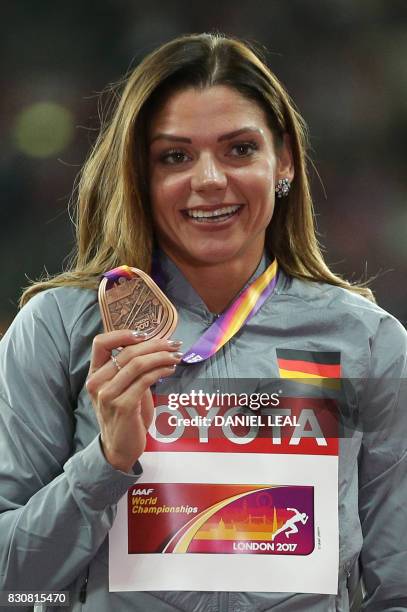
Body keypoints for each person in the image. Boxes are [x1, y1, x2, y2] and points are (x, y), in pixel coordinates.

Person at [0, 32, 406, 612]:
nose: (210, 180)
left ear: (283, 160)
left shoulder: (367, 341)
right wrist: (105, 464)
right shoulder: (60, 329)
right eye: (175, 156)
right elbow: (10, 587)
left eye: (240, 149)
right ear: (139, 174)